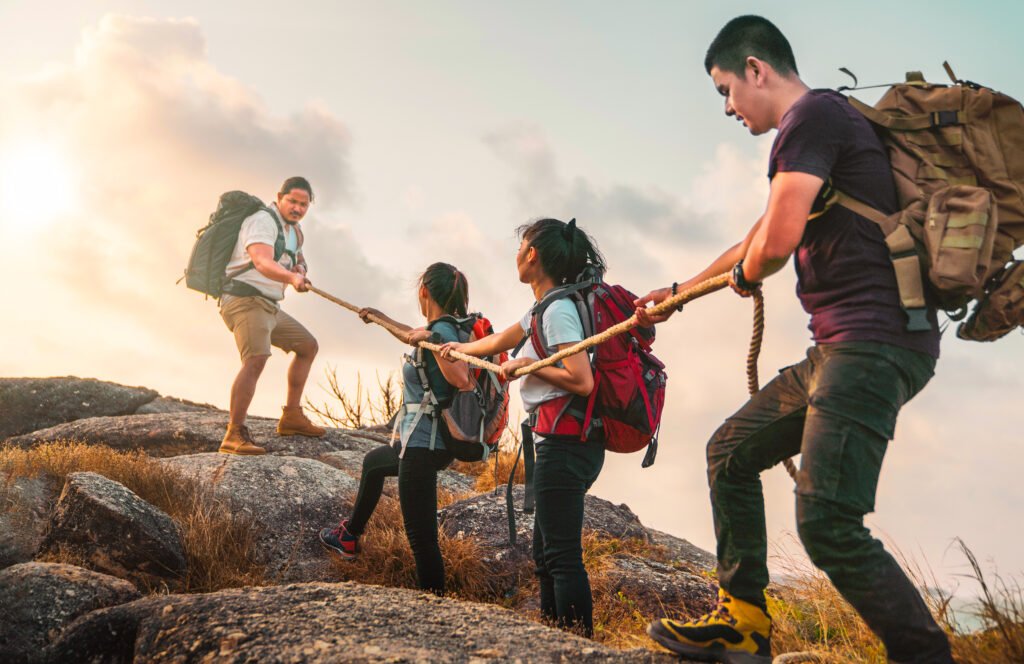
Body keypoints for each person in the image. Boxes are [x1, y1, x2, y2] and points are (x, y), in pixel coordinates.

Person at [636, 16, 952, 663]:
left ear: (756, 69)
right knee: (729, 452)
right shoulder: (818, 135)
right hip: (840, 349)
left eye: (725, 89)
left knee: (828, 523)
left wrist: (750, 274)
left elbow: (772, 246)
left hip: (871, 344)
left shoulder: (812, 117)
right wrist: (676, 294)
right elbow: (757, 236)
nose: (727, 107)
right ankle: (744, 624)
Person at [440, 218, 606, 637]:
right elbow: (498, 342)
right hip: (556, 442)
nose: (516, 255)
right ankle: (554, 640)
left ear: (532, 255)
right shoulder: (542, 308)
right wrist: (458, 347)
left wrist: (531, 366)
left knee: (561, 556)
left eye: (521, 248)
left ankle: (577, 647)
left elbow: (582, 381)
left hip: (567, 444)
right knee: (545, 556)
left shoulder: (558, 311)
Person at [319, 263, 475, 596]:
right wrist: (379, 318)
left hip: (424, 445)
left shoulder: (442, 333)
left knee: (421, 538)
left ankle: (435, 609)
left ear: (424, 292)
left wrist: (432, 337)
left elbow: (461, 378)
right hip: (421, 442)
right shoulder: (448, 327)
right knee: (374, 463)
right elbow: (411, 332)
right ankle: (348, 537)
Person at [218, 176, 325, 455]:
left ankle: (291, 416)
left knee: (307, 346)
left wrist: (300, 271)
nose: (297, 208)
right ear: (280, 197)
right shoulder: (263, 220)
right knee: (257, 357)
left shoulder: (295, 231)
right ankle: (233, 433)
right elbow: (261, 261)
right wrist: (291, 277)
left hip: (269, 305)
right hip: (244, 299)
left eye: (303, 204)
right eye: (292, 201)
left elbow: (298, 258)